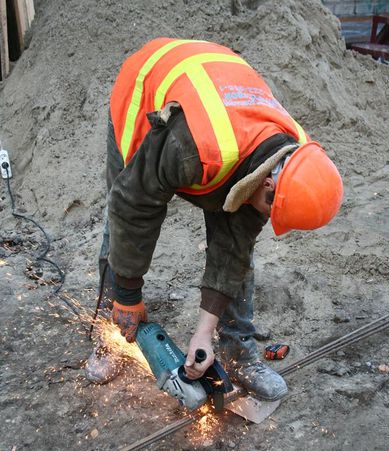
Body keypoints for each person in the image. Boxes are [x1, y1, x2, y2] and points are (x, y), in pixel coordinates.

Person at [86, 37, 343, 402]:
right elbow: (134, 206)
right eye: (273, 211)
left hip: (215, 99)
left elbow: (233, 248)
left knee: (240, 244)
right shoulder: (193, 147)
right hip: (144, 91)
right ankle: (110, 331)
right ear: (268, 184)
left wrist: (202, 334)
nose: (269, 220)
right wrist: (129, 293)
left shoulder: (293, 159)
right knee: (122, 217)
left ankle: (238, 351)